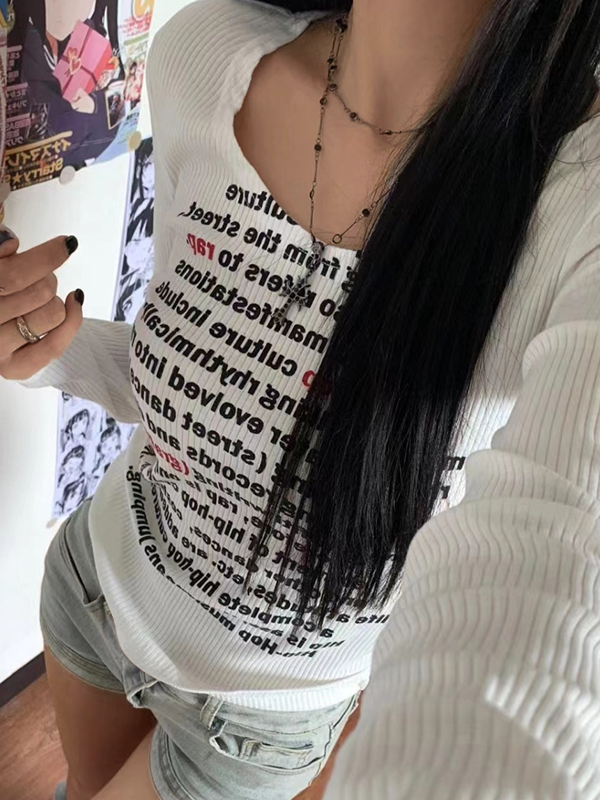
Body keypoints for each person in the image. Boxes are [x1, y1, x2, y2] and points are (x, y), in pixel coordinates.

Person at [1, 0, 600, 797]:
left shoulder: (580, 197)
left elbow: (561, 570)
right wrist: (43, 351)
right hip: (92, 587)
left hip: (253, 724)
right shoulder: (205, 58)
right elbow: (196, 393)